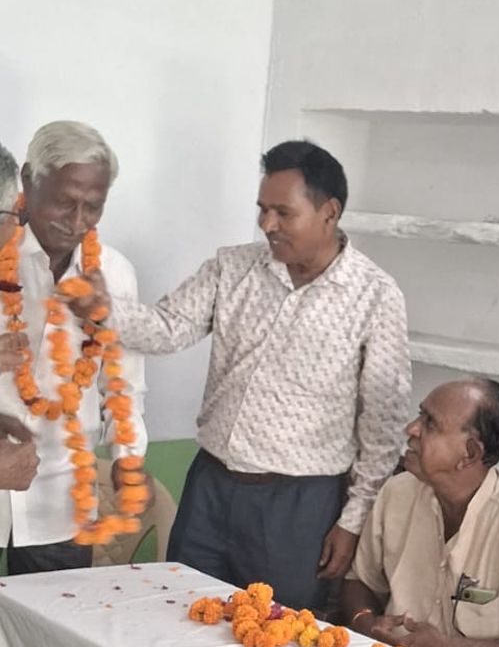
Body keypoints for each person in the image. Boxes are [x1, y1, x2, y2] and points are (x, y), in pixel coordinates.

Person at [66, 140, 410, 610]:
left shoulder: (375, 297)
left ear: (329, 212)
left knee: (277, 635)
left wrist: (352, 521)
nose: (267, 224)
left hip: (298, 506)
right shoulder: (233, 267)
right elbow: (168, 328)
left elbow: (383, 425)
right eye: (262, 210)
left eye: (283, 213)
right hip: (210, 487)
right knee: (178, 615)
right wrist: (105, 309)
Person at [341, 378, 499, 647]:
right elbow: (360, 581)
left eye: (430, 423)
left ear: (470, 453)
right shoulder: (397, 492)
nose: (411, 429)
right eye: (420, 415)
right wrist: (366, 623)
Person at [0, 124, 146, 574]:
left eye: (93, 206)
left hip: (61, 498)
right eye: (65, 202)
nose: (78, 221)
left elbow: (123, 385)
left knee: (56, 617)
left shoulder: (114, 275)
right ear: (29, 181)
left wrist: (127, 457)